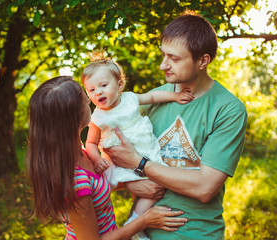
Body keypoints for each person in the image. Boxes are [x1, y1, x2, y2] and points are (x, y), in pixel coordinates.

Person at [103, 12, 248, 240]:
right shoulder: (152, 99)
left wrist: (139, 163)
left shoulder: (228, 109)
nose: (163, 65)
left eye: (175, 58)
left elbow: (204, 188)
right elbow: (110, 160)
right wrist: (129, 185)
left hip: (195, 234)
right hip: (140, 232)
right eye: (163, 55)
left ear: (203, 61)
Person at [26, 76, 188, 240]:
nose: (90, 101)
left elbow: (96, 188)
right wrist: (144, 221)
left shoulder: (81, 151)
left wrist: (129, 184)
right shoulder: (76, 181)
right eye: (85, 100)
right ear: (74, 119)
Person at [81, 51, 194, 239]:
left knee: (154, 188)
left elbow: (152, 97)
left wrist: (175, 96)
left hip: (145, 152)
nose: (98, 92)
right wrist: (95, 158)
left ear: (119, 85)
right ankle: (134, 224)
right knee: (148, 188)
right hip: (118, 163)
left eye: (103, 85)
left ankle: (135, 221)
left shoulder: (130, 98)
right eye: (91, 90)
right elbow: (90, 142)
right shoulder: (98, 117)